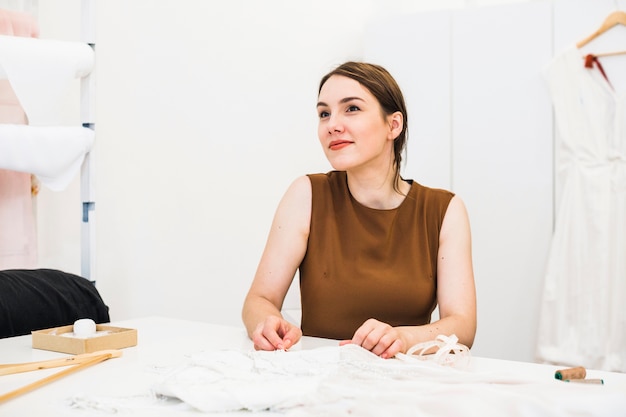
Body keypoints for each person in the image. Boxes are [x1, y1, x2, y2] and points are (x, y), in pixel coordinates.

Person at [242, 61, 476, 359]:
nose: (332, 125)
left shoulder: (444, 211)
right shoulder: (307, 195)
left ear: (393, 125)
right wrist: (265, 321)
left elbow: (463, 326)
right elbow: (258, 299)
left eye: (351, 108)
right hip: (319, 383)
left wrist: (402, 338)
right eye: (324, 113)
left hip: (405, 387)